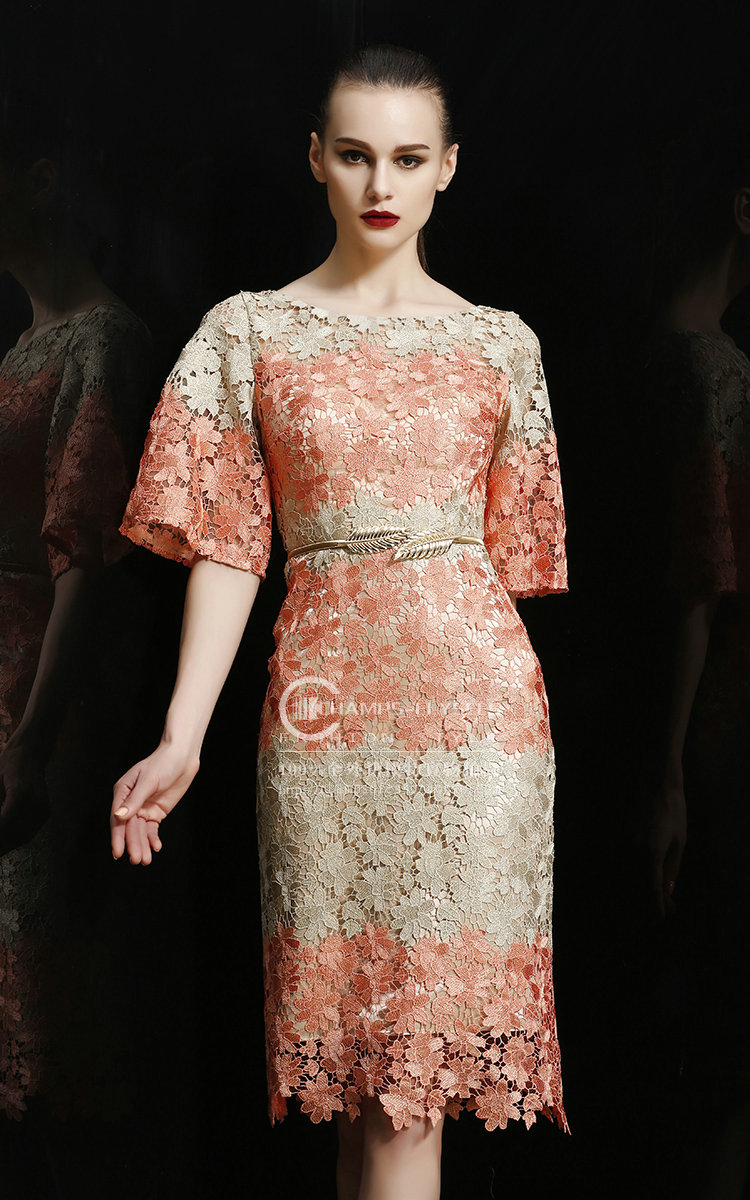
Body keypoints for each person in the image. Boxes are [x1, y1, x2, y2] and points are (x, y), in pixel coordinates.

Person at [111, 43, 570, 1200]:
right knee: (362, 1082)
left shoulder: (501, 344)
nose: (381, 182)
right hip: (325, 723)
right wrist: (182, 735)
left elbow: (508, 562)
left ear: (448, 168)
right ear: (316, 159)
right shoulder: (248, 333)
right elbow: (229, 544)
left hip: (476, 727)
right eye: (357, 154)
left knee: (413, 1088)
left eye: (409, 159)